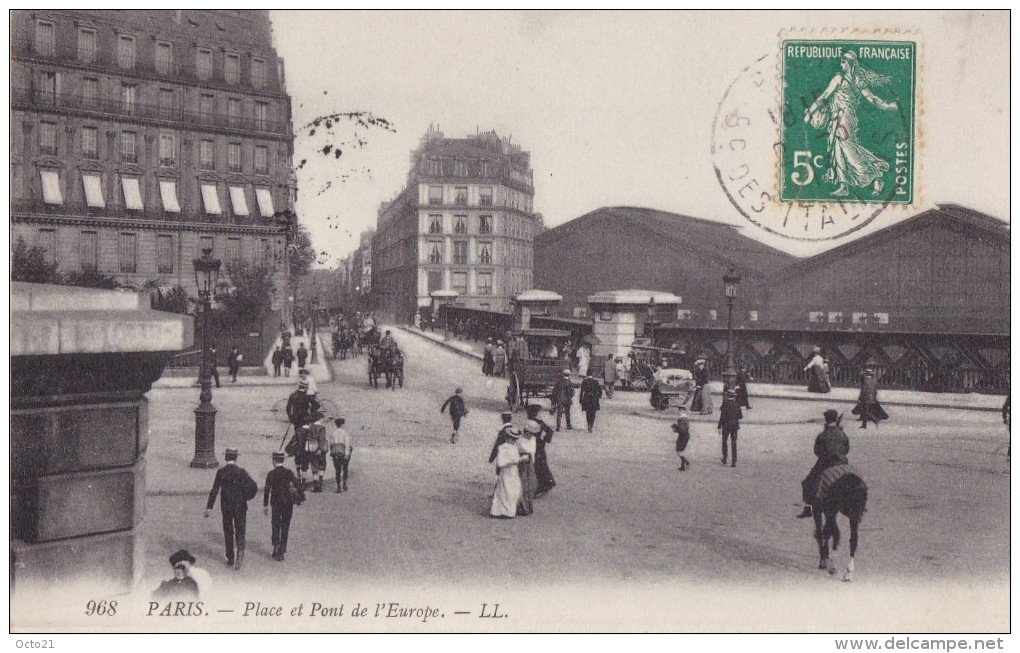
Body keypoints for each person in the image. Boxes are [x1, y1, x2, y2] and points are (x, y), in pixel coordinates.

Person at [803, 50, 899, 197]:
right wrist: (887, 106)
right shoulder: (855, 79)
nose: (841, 63)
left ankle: (873, 174)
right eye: (841, 60)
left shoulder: (840, 79)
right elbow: (871, 98)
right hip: (841, 117)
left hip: (844, 117)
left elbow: (824, 96)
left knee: (847, 148)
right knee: (839, 148)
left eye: (844, 61)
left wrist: (810, 112)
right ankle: (844, 185)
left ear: (850, 64)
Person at [204, 447, 258, 569]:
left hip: (226, 506)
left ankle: (230, 557)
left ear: (225, 457)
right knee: (240, 530)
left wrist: (209, 507)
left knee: (228, 530)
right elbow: (253, 486)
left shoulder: (221, 472)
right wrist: (246, 497)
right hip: (240, 506)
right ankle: (240, 554)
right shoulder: (241, 472)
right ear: (236, 458)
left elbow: (215, 490)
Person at [797, 409, 850, 518]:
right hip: (842, 462)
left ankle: (808, 508)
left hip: (826, 463)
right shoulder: (842, 434)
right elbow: (846, 449)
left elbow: (817, 451)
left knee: (808, 483)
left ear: (826, 420)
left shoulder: (823, 435)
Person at [263, 451, 301, 561]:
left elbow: (267, 490)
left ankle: (276, 546)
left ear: (274, 461)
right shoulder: (289, 472)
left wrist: (265, 505)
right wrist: (300, 497)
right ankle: (282, 551)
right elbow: (298, 484)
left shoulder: (271, 474)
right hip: (288, 503)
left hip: (276, 503)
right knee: (285, 525)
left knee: (275, 524)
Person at [490, 426, 524, 519]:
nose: (513, 440)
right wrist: (513, 461)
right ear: (508, 438)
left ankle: (508, 512)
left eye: (515, 439)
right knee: (503, 491)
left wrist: (519, 460)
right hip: (506, 471)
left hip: (513, 472)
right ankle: (498, 511)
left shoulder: (514, 448)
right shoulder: (502, 448)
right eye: (512, 438)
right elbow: (500, 463)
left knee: (513, 491)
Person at [525, 404, 556, 494]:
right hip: (539, 445)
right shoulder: (540, 422)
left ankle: (545, 484)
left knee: (538, 465)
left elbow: (528, 435)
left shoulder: (532, 423)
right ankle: (547, 482)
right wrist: (544, 440)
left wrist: (542, 439)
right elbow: (549, 431)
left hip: (535, 446)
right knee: (541, 464)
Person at [516, 422, 538, 516]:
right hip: (522, 465)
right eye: (531, 432)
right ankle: (522, 507)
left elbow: (532, 453)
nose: (532, 434)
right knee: (522, 486)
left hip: (530, 465)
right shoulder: (520, 441)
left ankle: (528, 506)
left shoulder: (533, 439)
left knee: (530, 486)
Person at [718, 389, 743, 467]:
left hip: (726, 425)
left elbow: (722, 417)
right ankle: (734, 461)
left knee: (724, 441)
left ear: (727, 396)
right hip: (735, 425)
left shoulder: (725, 404)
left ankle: (725, 458)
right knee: (734, 442)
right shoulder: (737, 404)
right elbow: (740, 416)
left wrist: (719, 426)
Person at [306, 411, 330, 492]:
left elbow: (309, 439)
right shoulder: (322, 428)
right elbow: (322, 439)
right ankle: (320, 485)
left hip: (312, 449)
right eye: (322, 418)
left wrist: (313, 448)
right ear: (320, 418)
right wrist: (320, 449)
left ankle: (315, 485)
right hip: (321, 450)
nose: (323, 420)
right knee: (322, 466)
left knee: (314, 467)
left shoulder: (310, 427)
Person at [329, 417, 353, 492]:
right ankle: (344, 484)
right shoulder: (345, 433)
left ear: (336, 425)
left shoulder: (333, 433)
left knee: (337, 470)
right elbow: (347, 444)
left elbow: (331, 444)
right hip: (343, 452)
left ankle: (338, 486)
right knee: (345, 469)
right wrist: (347, 454)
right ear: (342, 425)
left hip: (335, 453)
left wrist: (332, 452)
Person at [673, 407, 692, 471]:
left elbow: (682, 429)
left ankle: (686, 462)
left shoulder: (681, 419)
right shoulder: (686, 418)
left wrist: (675, 428)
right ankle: (683, 465)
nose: (678, 412)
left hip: (682, 436)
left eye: (679, 411)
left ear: (681, 411)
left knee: (679, 451)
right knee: (680, 451)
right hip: (685, 436)